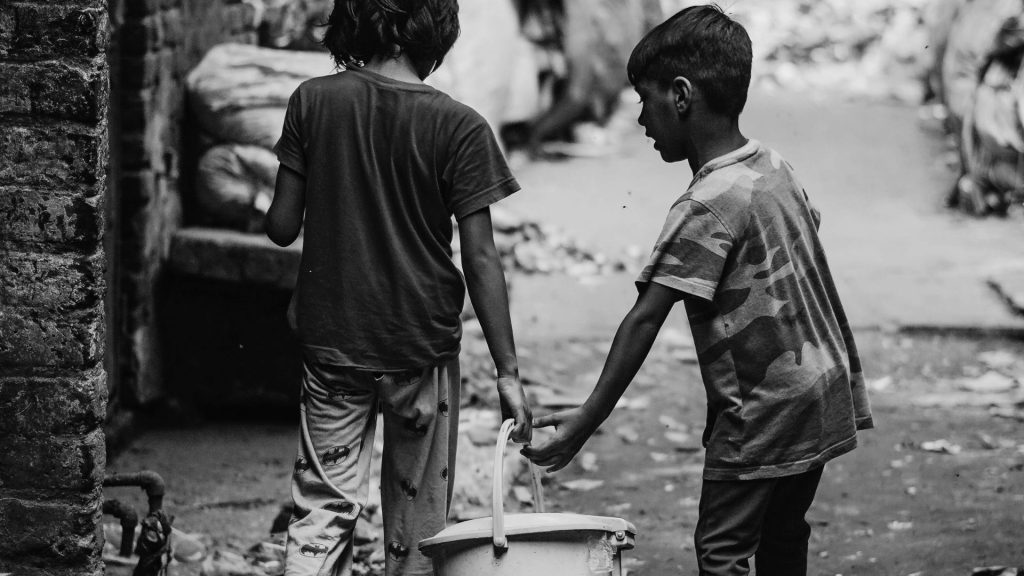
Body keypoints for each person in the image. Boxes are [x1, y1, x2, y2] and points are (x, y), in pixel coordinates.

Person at [522, 5, 874, 575]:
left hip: (761, 415)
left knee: (723, 552)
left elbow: (643, 320)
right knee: (784, 536)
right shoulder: (775, 166)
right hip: (820, 393)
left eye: (645, 99)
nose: (640, 118)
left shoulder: (704, 204)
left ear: (681, 96)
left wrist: (584, 422)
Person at [265, 1, 533, 574]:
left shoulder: (313, 101)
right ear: (436, 33)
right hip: (422, 347)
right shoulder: (460, 125)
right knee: (418, 528)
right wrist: (507, 373)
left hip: (333, 341)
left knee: (322, 510)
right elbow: (482, 258)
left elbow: (282, 228)